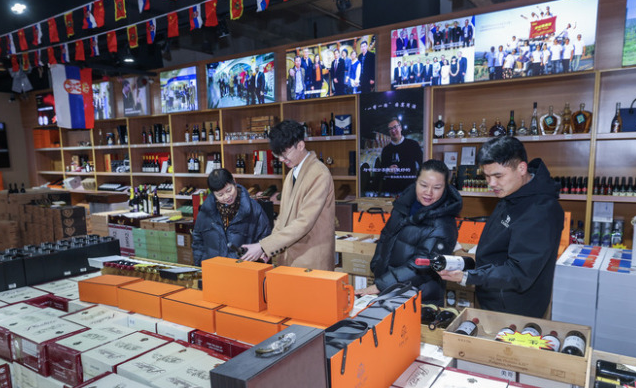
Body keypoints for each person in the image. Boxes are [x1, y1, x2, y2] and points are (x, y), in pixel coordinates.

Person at [438, 136, 564, 318]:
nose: (491, 184)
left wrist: (469, 277)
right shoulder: (512, 191)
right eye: (487, 176)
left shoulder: (541, 211)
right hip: (494, 294)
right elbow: (498, 249)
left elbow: (520, 272)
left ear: (521, 168)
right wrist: (467, 266)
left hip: (514, 309)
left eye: (498, 176)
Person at [357, 160, 462, 304]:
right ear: (416, 181)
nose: (429, 192)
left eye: (437, 187)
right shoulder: (403, 206)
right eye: (424, 185)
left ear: (445, 188)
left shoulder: (443, 224)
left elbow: (423, 265)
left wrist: (381, 285)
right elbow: (386, 236)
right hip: (389, 289)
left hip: (419, 298)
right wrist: (377, 266)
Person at [241, 120, 335, 270]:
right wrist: (269, 247)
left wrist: (263, 246)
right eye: (278, 155)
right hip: (290, 257)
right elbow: (282, 218)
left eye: (284, 154)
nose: (280, 159)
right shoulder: (292, 173)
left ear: (300, 145)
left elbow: (304, 222)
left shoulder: (319, 173)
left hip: (311, 259)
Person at [192, 169, 272, 265]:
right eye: (220, 195)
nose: (226, 197)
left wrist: (261, 254)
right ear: (213, 193)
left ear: (234, 182)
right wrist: (199, 264)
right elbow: (197, 240)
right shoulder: (206, 211)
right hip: (213, 267)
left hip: (243, 268)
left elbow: (265, 237)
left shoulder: (253, 209)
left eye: (229, 190)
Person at [379, 117, 423, 195]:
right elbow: (381, 170)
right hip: (391, 190)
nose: (393, 130)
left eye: (395, 127)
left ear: (400, 127)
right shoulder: (386, 150)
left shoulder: (413, 145)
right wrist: (388, 170)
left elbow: (422, 164)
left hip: (409, 190)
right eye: (390, 129)